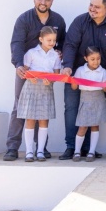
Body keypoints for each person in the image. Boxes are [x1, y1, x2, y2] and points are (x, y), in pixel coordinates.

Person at [4, 0, 66, 161]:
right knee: (19, 107)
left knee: (42, 111)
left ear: (52, 1)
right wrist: (18, 65)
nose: (43, 2)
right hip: (26, 71)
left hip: (46, 74)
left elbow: (63, 43)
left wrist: (59, 52)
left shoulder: (58, 20)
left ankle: (41, 149)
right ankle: (12, 148)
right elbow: (16, 42)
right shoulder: (24, 19)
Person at [60, 0, 106, 160]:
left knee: (93, 114)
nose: (92, 9)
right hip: (76, 76)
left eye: (97, 6)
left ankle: (89, 149)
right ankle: (71, 148)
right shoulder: (79, 21)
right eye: (91, 5)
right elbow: (70, 44)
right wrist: (67, 66)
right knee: (72, 109)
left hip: (101, 78)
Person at [17, 26, 61, 162]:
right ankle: (29, 152)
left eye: (54, 40)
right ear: (41, 39)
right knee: (30, 119)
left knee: (44, 120)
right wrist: (30, 76)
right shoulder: (31, 53)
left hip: (46, 89)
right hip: (32, 88)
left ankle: (40, 151)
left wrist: (51, 81)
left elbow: (57, 74)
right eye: (49, 40)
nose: (52, 43)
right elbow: (25, 70)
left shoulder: (55, 55)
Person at [71, 47, 106, 163]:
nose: (96, 61)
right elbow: (74, 87)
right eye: (92, 59)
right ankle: (77, 151)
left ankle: (91, 152)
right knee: (82, 126)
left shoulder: (103, 71)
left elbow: (105, 90)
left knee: (95, 126)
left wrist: (105, 84)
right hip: (85, 99)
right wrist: (73, 81)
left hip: (98, 99)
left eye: (98, 59)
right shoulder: (80, 71)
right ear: (85, 58)